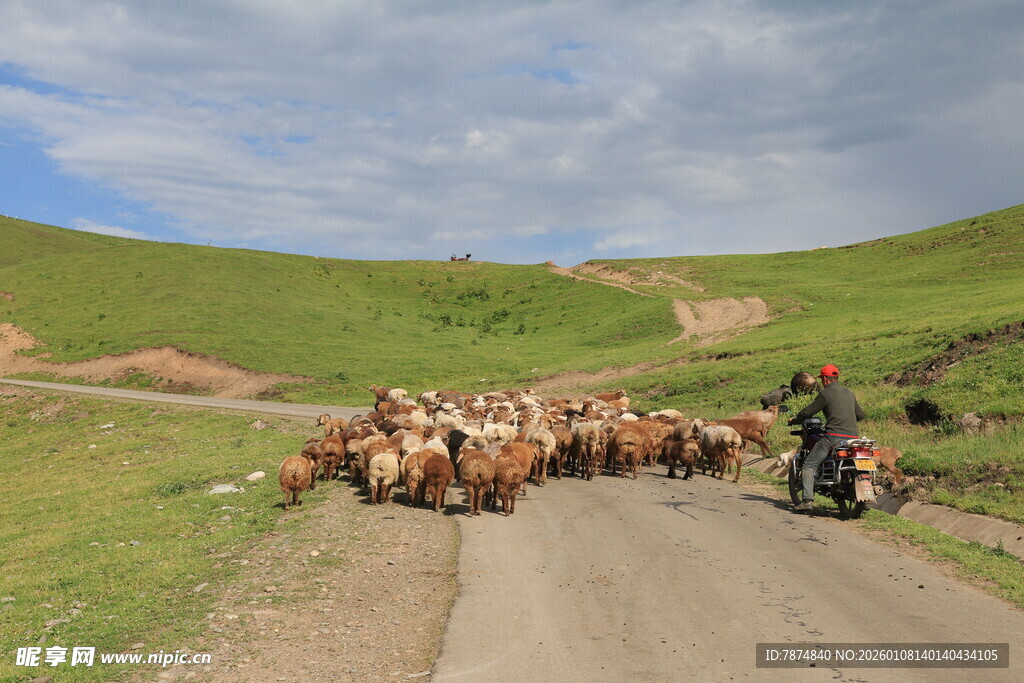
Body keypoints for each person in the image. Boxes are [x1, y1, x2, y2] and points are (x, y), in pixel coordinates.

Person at [787, 364, 865, 511]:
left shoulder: (825, 394)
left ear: (825, 380)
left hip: (833, 437)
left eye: (822, 379)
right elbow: (860, 415)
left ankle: (807, 501)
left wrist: (795, 420)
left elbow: (808, 412)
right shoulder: (849, 393)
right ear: (836, 378)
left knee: (809, 465)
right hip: (852, 438)